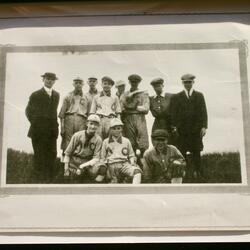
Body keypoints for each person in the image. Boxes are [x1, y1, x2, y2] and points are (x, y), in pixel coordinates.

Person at [170, 73, 208, 180]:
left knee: (196, 153)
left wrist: (204, 127)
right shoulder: (176, 97)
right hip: (182, 132)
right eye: (185, 82)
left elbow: (203, 112)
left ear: (193, 82)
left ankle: (198, 174)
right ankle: (184, 175)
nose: (187, 84)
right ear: (183, 83)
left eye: (189, 82)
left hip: (196, 131)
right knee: (181, 153)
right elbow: (173, 114)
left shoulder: (199, 96)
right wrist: (174, 128)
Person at [25, 72, 60, 183]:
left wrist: (56, 127)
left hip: (51, 132)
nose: (49, 81)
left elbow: (54, 112)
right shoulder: (35, 94)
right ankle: (38, 182)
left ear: (54, 81)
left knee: (51, 155)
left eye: (52, 79)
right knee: (39, 156)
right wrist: (38, 124)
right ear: (43, 80)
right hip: (38, 132)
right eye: (47, 78)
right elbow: (28, 111)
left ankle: (49, 182)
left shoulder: (56, 95)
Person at [63, 114, 105, 183]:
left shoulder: (98, 139)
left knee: (102, 168)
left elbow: (96, 158)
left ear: (98, 126)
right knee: (74, 179)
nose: (93, 126)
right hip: (75, 161)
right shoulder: (77, 135)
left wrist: (82, 166)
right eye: (91, 124)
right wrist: (66, 169)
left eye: (95, 125)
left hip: (88, 163)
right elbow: (67, 153)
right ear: (87, 123)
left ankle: (94, 183)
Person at [100, 118, 142, 184]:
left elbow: (131, 155)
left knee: (137, 172)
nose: (117, 130)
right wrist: (105, 168)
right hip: (111, 165)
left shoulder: (126, 141)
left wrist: (132, 163)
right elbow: (102, 158)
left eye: (119, 128)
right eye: (114, 128)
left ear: (122, 129)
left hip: (124, 164)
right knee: (113, 185)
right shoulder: (106, 141)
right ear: (110, 129)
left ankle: (134, 192)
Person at [120, 74, 150, 165]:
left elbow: (146, 108)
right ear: (129, 82)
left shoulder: (143, 94)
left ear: (139, 83)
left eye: (136, 82)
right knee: (130, 142)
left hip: (139, 118)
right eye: (132, 82)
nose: (134, 84)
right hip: (128, 119)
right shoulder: (125, 94)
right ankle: (132, 164)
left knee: (143, 143)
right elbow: (121, 108)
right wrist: (131, 106)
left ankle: (144, 164)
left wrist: (134, 107)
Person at [59, 77, 89, 156]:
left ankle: (77, 163)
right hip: (69, 118)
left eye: (80, 83)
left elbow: (89, 113)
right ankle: (66, 162)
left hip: (82, 119)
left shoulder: (86, 97)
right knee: (68, 140)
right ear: (73, 84)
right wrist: (62, 127)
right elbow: (62, 114)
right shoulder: (67, 96)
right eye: (76, 83)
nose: (78, 84)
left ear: (83, 84)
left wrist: (87, 124)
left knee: (80, 139)